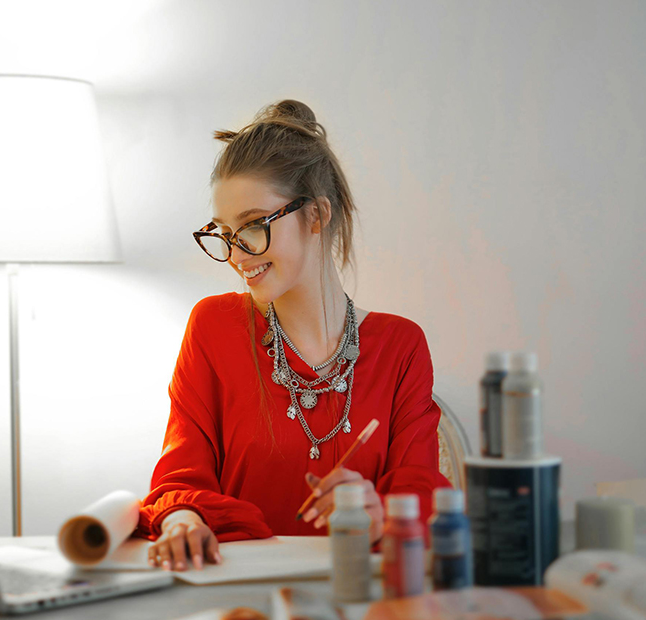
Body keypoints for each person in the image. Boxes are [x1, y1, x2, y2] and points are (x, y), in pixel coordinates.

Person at [134, 100, 450, 572]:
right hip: (239, 594)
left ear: (317, 215)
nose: (238, 255)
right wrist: (182, 519)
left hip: (358, 594)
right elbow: (179, 476)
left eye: (254, 225)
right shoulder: (214, 327)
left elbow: (421, 488)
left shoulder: (400, 345)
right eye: (225, 232)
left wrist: (379, 510)